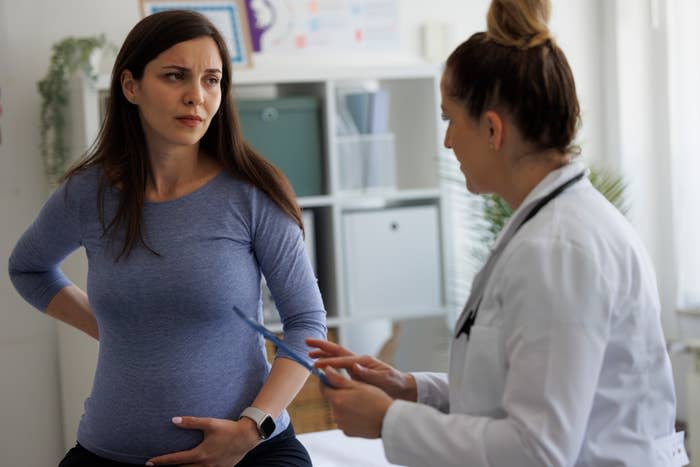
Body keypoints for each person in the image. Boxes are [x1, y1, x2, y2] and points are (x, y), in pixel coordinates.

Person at [307, 0, 688, 465]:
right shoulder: (549, 228)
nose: (446, 141)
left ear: (492, 129)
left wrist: (388, 421)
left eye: (450, 119)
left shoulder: (558, 249)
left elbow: (537, 450)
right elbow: (517, 394)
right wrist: (407, 389)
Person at [9, 10, 325, 467]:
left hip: (248, 453)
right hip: (110, 452)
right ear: (130, 86)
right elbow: (28, 268)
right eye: (176, 76)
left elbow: (307, 324)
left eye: (211, 80)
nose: (196, 96)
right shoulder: (88, 193)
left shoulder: (254, 194)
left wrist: (252, 427)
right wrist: (109, 328)